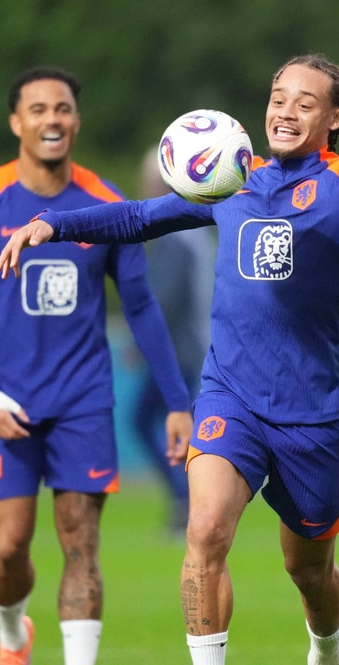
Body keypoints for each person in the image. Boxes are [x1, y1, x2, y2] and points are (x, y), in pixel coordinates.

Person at [0, 53, 339, 665]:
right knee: (206, 529)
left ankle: (327, 644)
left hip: (312, 414)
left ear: (334, 117)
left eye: (305, 102)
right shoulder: (232, 183)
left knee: (310, 573)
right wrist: (51, 224)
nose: (285, 110)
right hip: (229, 396)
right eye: (277, 96)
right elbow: (137, 217)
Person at [0, 65, 194, 665]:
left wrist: (178, 401)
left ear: (76, 120)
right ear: (15, 122)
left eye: (63, 109)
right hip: (8, 402)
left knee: (81, 544)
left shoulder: (105, 204)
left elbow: (141, 305)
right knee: (9, 549)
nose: (52, 119)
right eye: (39, 109)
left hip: (83, 399)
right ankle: (11, 633)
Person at [128, 146, 216, 533]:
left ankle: (186, 499)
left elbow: (164, 300)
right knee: (176, 427)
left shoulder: (175, 237)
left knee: (150, 422)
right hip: (195, 346)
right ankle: (188, 499)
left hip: (179, 351)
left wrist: (140, 344)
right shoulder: (197, 232)